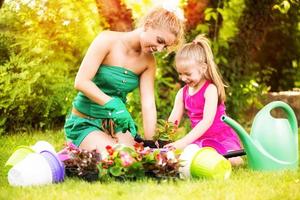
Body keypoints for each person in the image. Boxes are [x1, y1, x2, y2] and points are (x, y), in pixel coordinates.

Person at [64, 7, 184, 152]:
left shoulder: (148, 62)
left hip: (117, 124)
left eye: (164, 47)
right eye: (159, 41)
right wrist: (113, 104)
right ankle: (75, 150)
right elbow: (81, 82)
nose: (159, 49)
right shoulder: (107, 40)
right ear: (148, 24)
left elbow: (148, 104)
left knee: (136, 156)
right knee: (117, 156)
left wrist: (150, 143)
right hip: (86, 121)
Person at [164, 35, 243, 165]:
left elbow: (207, 121)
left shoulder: (210, 90)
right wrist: (162, 139)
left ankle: (220, 158)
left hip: (221, 138)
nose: (183, 78)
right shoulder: (182, 93)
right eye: (180, 73)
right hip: (200, 140)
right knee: (179, 158)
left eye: (188, 74)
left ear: (203, 68)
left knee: (234, 160)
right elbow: (173, 121)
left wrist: (183, 142)